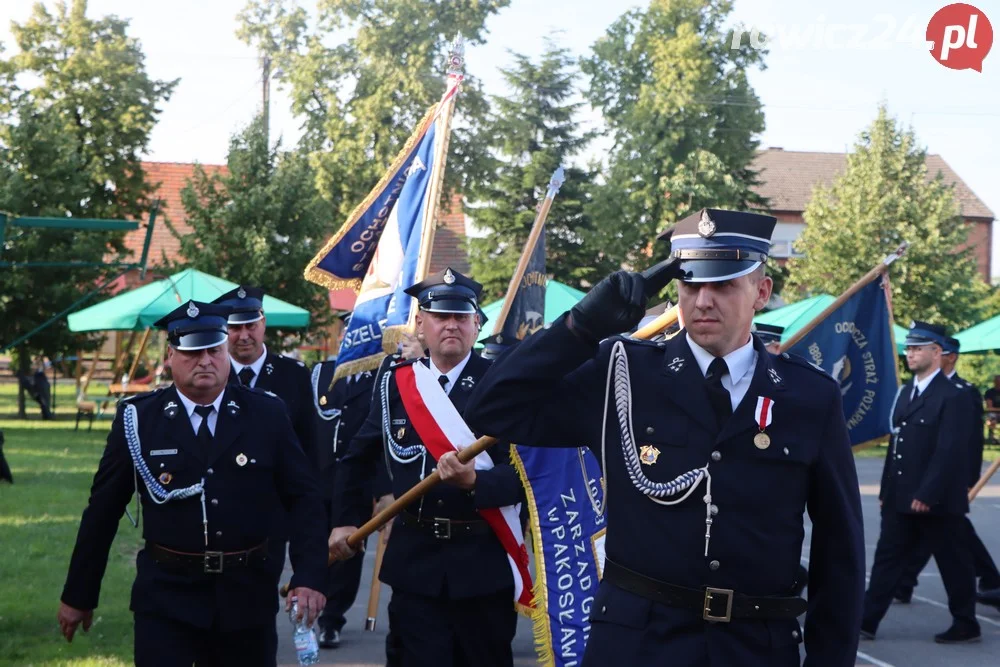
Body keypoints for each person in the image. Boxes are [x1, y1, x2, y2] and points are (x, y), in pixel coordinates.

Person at [465, 208, 865, 666]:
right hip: (638, 644)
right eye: (691, 285)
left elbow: (840, 553)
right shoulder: (623, 373)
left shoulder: (809, 396)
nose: (702, 301)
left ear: (761, 291)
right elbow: (491, 409)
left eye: (723, 285)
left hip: (754, 647)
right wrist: (580, 327)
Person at [57, 300, 328, 666]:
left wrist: (308, 575)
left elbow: (305, 497)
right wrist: (79, 594)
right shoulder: (139, 419)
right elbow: (102, 511)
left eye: (214, 350)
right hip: (167, 598)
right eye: (192, 352)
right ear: (170, 356)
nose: (205, 361)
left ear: (225, 352)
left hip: (246, 597)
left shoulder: (266, 413)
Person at [329, 267, 523, 667]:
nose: (450, 325)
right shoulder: (395, 382)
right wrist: (346, 520)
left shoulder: (504, 384)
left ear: (476, 324)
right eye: (440, 316)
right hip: (415, 565)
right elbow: (357, 458)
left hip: (482, 564)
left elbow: (526, 478)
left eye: (460, 317)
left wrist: (475, 483)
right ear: (421, 324)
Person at [860, 322, 980, 643]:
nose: (910, 353)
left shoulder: (953, 396)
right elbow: (897, 447)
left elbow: (949, 451)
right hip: (902, 495)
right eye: (908, 348)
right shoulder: (905, 392)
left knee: (953, 562)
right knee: (887, 558)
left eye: (917, 348)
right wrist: (886, 490)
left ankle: (966, 622)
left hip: (937, 499)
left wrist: (928, 493)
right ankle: (866, 620)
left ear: (937, 353)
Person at [892, 336, 1000, 606]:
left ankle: (907, 583)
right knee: (938, 533)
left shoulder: (963, 391)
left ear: (949, 356)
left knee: (946, 534)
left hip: (948, 480)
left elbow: (971, 441)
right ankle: (905, 583)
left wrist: (969, 478)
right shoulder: (920, 388)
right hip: (923, 476)